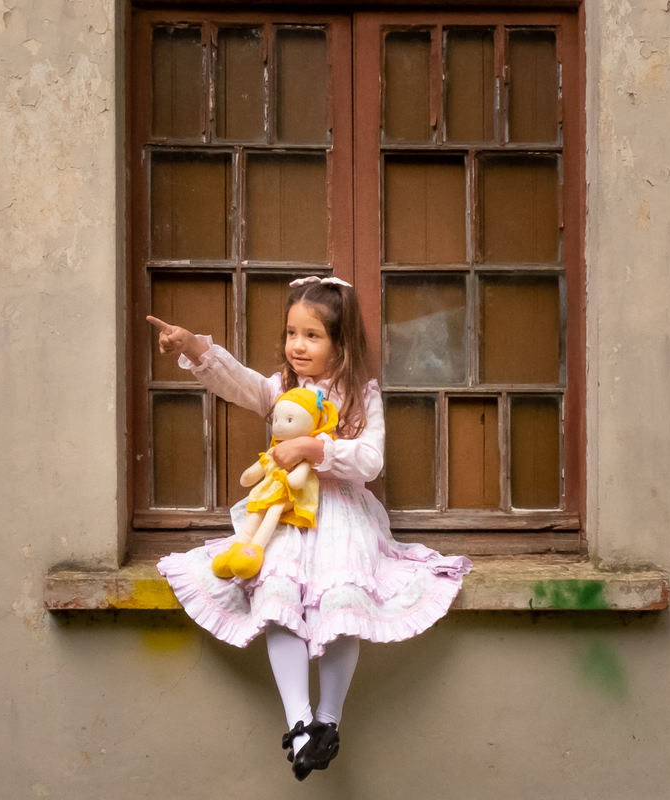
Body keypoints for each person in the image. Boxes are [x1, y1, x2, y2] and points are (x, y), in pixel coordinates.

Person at [149, 276, 472, 782]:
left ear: (340, 343)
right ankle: (299, 722)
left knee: (341, 606)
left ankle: (328, 720)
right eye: (291, 333)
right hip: (285, 518)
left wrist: (316, 450)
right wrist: (194, 346)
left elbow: (370, 459)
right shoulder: (282, 388)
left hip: (340, 517)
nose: (297, 345)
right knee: (276, 598)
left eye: (312, 336)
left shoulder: (361, 395)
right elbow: (242, 383)